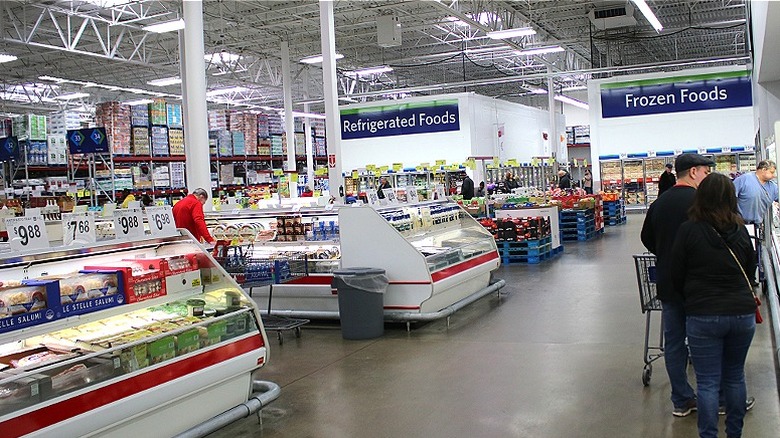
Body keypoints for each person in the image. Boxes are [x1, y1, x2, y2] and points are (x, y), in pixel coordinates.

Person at [670, 173, 757, 438]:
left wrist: (691, 298)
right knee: (734, 376)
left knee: (707, 382)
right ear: (731, 198)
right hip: (741, 314)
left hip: (703, 314)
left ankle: (708, 435)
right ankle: (735, 433)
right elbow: (751, 268)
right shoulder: (740, 229)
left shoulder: (688, 230)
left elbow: (676, 273)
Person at [640, 153, 714, 417]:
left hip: (669, 283)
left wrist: (665, 252)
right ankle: (712, 399)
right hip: (699, 284)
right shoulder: (702, 202)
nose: (707, 177)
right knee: (704, 340)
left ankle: (681, 399)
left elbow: (646, 237)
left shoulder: (660, 203)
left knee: (673, 342)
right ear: (693, 172)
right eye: (705, 172)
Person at [733, 160, 778, 226]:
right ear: (763, 169)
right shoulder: (744, 180)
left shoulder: (773, 186)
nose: (773, 176)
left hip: (757, 224)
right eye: (771, 172)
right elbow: (728, 197)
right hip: (739, 224)